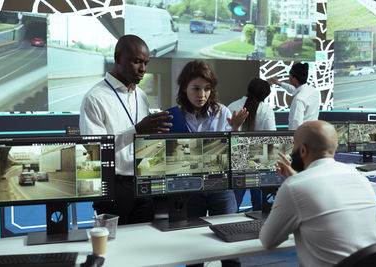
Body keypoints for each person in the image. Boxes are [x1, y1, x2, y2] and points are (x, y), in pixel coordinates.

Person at [259, 120, 376, 267]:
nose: (292, 151)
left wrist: (294, 183)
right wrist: (296, 179)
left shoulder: (295, 186)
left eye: (294, 145)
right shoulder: (359, 177)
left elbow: (268, 241)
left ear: (303, 150)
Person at [79, 35, 173, 225]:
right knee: (113, 249)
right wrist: (137, 130)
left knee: (142, 246)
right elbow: (94, 151)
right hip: (113, 187)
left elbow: (143, 140)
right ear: (117, 57)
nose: (143, 69)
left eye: (146, 63)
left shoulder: (141, 95)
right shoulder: (95, 98)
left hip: (143, 183)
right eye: (137, 61)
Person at [176, 59, 248, 267]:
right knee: (194, 247)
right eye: (196, 88)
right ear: (184, 88)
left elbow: (236, 155)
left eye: (207, 89)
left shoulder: (223, 113)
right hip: (190, 188)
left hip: (221, 186)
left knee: (231, 248)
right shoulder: (174, 116)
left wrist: (235, 130)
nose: (202, 95)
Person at [227, 78, 276, 212]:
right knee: (260, 205)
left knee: (234, 202)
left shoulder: (232, 106)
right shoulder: (266, 110)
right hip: (259, 161)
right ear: (265, 95)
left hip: (236, 159)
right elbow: (272, 137)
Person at [268, 62, 320, 130]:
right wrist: (279, 83)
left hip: (302, 136)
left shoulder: (299, 99)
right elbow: (294, 90)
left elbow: (296, 124)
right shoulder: (313, 91)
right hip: (313, 133)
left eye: (289, 75)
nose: (289, 77)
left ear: (294, 78)